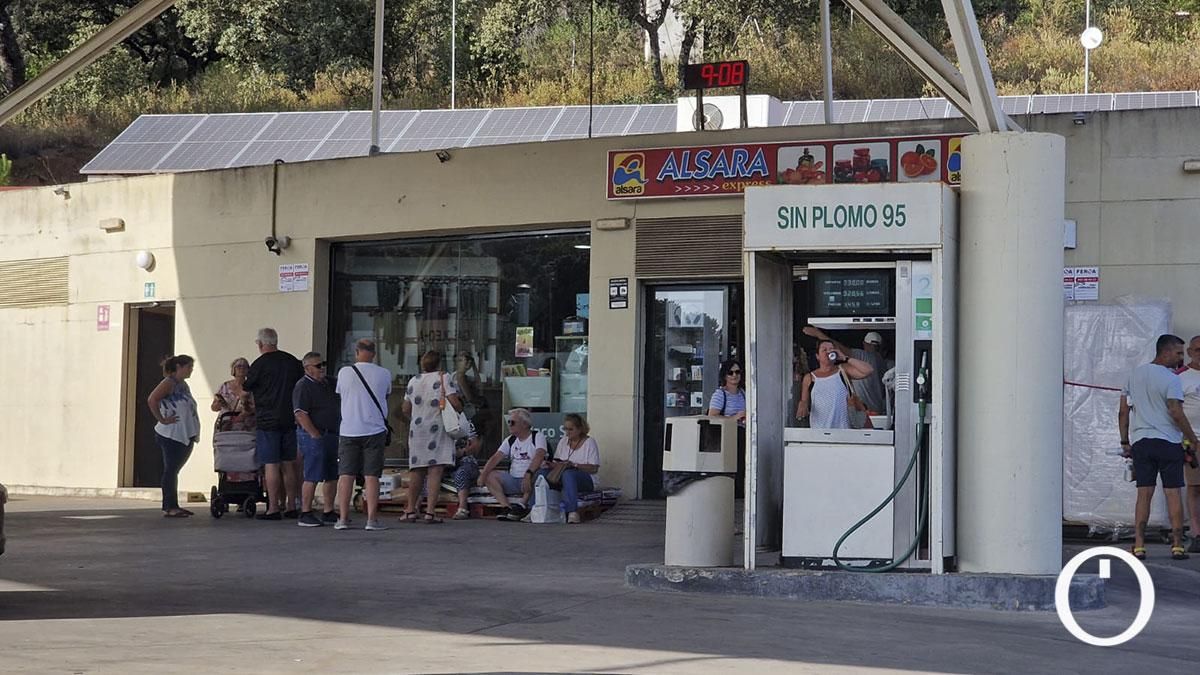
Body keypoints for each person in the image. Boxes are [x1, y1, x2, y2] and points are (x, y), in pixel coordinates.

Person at [1121, 334, 1200, 561]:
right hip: (1168, 443)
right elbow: (1176, 411)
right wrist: (1191, 438)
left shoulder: (1134, 375)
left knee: (1143, 494)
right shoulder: (1171, 378)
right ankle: (1177, 546)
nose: (1180, 358)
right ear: (1165, 352)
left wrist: (1124, 442)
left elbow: (1123, 411)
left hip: (1142, 443)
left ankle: (1139, 545)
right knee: (1173, 493)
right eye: (1178, 353)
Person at [245, 328, 305, 520]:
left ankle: (272, 507)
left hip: (267, 420)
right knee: (289, 464)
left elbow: (247, 388)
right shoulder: (292, 362)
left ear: (261, 344)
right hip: (289, 419)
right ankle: (291, 505)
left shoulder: (259, 364)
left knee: (271, 464)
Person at [334, 338, 392, 531]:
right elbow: (386, 395)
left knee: (346, 475)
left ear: (357, 352)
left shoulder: (344, 372)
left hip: (349, 429)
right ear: (374, 353)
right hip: (374, 429)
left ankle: (342, 518)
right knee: (372, 476)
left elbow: (341, 394)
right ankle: (371, 520)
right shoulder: (384, 374)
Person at [400, 350, 464, 524]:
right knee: (435, 471)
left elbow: (405, 408)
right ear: (439, 363)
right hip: (438, 428)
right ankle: (430, 512)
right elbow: (454, 402)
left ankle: (410, 510)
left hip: (418, 429)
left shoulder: (414, 380)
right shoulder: (444, 378)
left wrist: (417, 416)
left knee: (417, 471)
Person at [146, 355, 201, 518]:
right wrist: (162, 419)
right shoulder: (168, 383)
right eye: (188, 367)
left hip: (184, 433)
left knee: (174, 469)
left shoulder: (183, 385)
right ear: (179, 366)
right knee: (171, 469)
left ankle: (174, 504)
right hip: (172, 434)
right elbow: (152, 399)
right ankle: (169, 506)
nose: (191, 370)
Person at [293, 352, 340, 528]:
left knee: (331, 474)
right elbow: (300, 413)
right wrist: (314, 434)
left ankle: (328, 511)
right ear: (307, 368)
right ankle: (306, 511)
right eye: (318, 366)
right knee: (312, 473)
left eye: (323, 364)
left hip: (331, 433)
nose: (322, 368)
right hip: (314, 435)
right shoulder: (303, 386)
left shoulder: (330, 383)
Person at [478, 408, 546, 521]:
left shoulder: (537, 436)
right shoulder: (510, 440)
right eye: (508, 422)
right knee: (490, 475)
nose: (509, 425)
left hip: (530, 479)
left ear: (524, 424)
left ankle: (523, 505)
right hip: (514, 479)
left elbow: (540, 455)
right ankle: (506, 507)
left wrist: (528, 473)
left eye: (512, 422)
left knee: (539, 475)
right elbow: (496, 457)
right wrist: (484, 474)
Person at [803, 326, 888, 415]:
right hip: (877, 408)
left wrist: (818, 334)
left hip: (863, 411)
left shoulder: (864, 356)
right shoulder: (881, 361)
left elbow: (840, 348)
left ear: (864, 344)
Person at [796, 339, 875, 429]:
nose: (828, 352)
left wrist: (846, 358)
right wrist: (802, 405)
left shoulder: (843, 370)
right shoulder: (809, 377)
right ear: (817, 356)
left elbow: (868, 370)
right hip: (819, 430)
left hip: (843, 430)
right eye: (824, 350)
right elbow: (804, 401)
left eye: (831, 349)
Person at [539, 413, 601, 524]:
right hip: (562, 476)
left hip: (586, 479)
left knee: (569, 474)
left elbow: (594, 468)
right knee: (542, 473)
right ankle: (536, 507)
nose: (567, 433)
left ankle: (573, 511)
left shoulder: (589, 443)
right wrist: (550, 464)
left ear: (580, 429)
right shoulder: (563, 441)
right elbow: (557, 462)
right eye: (565, 429)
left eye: (571, 429)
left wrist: (575, 465)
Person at [707, 359, 747, 498]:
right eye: (730, 372)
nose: (734, 375)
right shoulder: (720, 394)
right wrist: (734, 418)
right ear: (725, 375)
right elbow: (712, 416)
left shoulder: (743, 393)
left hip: (743, 433)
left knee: (742, 465)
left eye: (737, 372)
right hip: (727, 435)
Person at [1178, 336, 1200, 553]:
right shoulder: (1180, 377)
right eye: (1198, 350)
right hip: (1192, 440)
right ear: (1190, 352)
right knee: (1194, 487)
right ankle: (1196, 531)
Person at [449, 418, 482, 520]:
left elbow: (475, 445)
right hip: (442, 460)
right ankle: (416, 508)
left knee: (462, 472)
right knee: (425, 472)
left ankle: (463, 508)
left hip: (463, 459)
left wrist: (463, 452)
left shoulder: (465, 422)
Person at [211, 357, 256, 431]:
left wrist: (244, 413)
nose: (241, 368)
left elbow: (257, 407)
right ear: (233, 370)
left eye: (245, 366)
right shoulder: (224, 386)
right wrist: (218, 404)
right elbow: (213, 408)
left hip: (246, 426)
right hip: (225, 425)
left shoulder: (252, 387)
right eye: (238, 366)